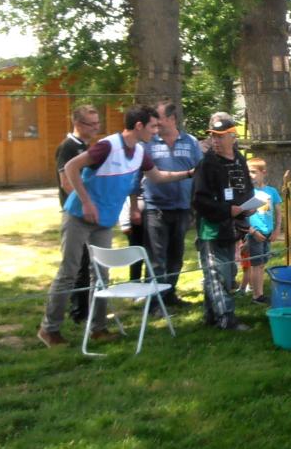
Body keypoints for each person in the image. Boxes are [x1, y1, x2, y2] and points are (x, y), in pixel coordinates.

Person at [38, 104, 197, 347]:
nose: (157, 131)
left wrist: (189, 173)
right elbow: (71, 168)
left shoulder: (141, 153)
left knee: (101, 275)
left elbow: (157, 177)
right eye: (153, 126)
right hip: (79, 216)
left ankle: (98, 328)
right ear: (139, 126)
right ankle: (49, 330)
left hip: (103, 221)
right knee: (69, 272)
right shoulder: (108, 146)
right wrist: (86, 202)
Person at [191, 113, 254, 330]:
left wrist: (248, 206)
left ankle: (210, 316)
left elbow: (246, 189)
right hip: (211, 229)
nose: (215, 141)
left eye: (220, 137)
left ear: (232, 137)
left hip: (232, 228)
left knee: (226, 274)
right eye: (213, 137)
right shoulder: (206, 164)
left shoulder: (239, 160)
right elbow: (199, 200)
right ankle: (226, 318)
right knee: (216, 273)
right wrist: (228, 210)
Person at [141, 99, 202, 309]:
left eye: (159, 117)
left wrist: (196, 205)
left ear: (172, 118)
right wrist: (132, 206)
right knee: (157, 258)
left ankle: (169, 295)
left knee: (176, 255)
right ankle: (154, 303)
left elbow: (200, 173)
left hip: (183, 208)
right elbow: (137, 176)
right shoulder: (148, 143)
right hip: (155, 208)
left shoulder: (191, 142)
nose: (155, 122)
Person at [55, 104, 99, 323]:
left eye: (98, 124)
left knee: (90, 262)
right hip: (76, 213)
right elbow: (66, 182)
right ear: (78, 124)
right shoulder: (68, 147)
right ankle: (79, 312)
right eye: (92, 124)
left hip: (89, 212)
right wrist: (85, 202)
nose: (96, 128)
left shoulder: (86, 145)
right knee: (77, 265)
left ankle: (88, 309)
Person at [244, 157, 281, 304]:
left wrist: (277, 229)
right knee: (255, 264)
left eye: (253, 172)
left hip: (268, 232)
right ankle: (257, 295)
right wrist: (252, 231)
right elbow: (242, 215)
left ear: (263, 172)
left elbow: (278, 212)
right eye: (248, 172)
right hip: (254, 233)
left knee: (262, 263)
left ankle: (258, 291)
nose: (250, 175)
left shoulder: (271, 191)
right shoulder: (247, 192)